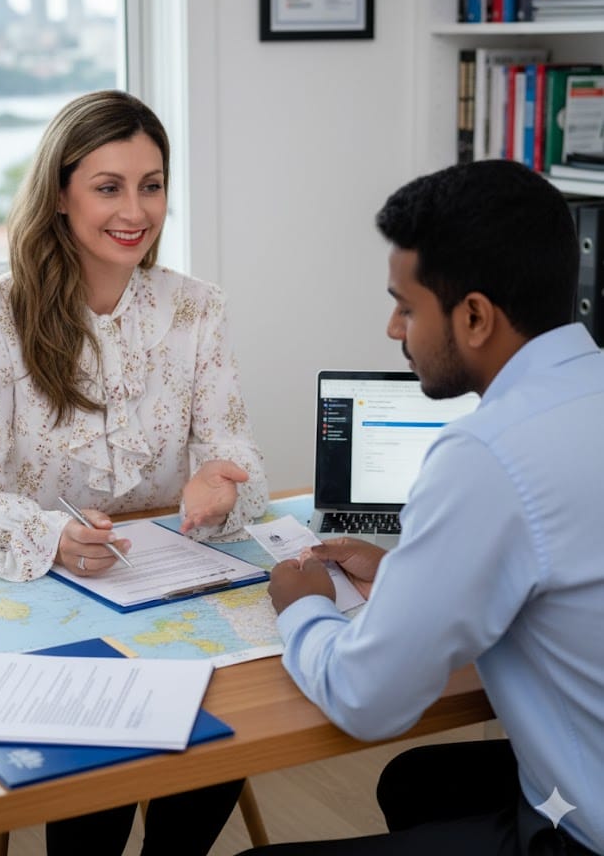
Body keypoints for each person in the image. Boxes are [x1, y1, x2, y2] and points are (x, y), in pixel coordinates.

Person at [236, 160, 604, 856]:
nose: (390, 327)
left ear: (472, 317)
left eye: (405, 307)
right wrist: (407, 571)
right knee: (415, 784)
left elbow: (366, 699)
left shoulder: (487, 452)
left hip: (583, 834)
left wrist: (302, 604)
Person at [0, 88, 268, 856]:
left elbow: (238, 451)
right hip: (49, 596)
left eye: (151, 185)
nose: (136, 210)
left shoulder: (196, 309)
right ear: (60, 194)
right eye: (108, 187)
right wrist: (49, 536)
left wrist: (220, 477)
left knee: (225, 720)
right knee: (100, 756)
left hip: (167, 586)